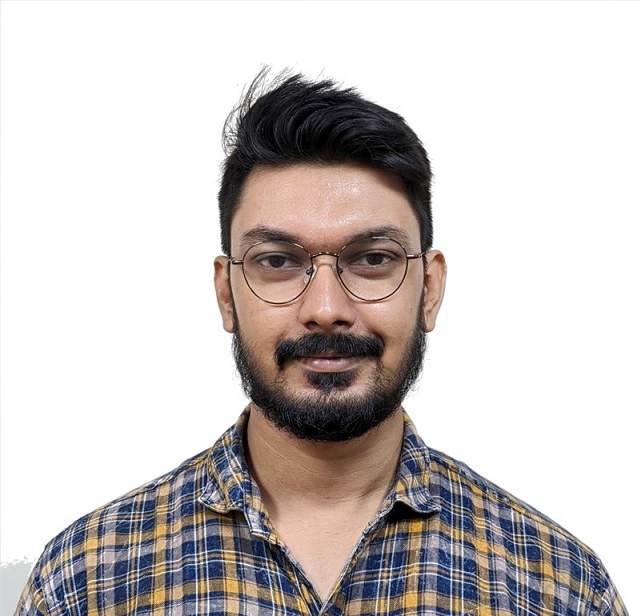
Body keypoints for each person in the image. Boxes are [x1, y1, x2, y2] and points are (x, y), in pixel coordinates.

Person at [16, 70, 627, 616]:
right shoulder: (87, 583)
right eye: (278, 261)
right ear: (227, 294)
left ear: (430, 290)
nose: (327, 310)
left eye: (373, 259)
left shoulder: (558, 588)